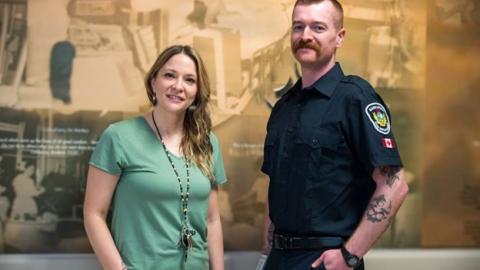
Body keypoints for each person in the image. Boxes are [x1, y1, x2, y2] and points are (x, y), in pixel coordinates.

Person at [259, 1, 409, 270]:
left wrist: (349, 256)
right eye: (298, 27)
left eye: (318, 27)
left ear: (339, 36)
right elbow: (275, 192)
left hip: (325, 261)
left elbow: (395, 185)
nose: (305, 35)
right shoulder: (283, 107)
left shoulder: (355, 97)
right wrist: (266, 255)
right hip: (278, 260)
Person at [83, 45, 227, 270]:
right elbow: (94, 214)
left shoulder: (208, 143)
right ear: (153, 82)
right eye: (170, 75)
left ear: (197, 91)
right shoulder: (119, 137)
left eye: (189, 80)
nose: (178, 86)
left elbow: (212, 219)